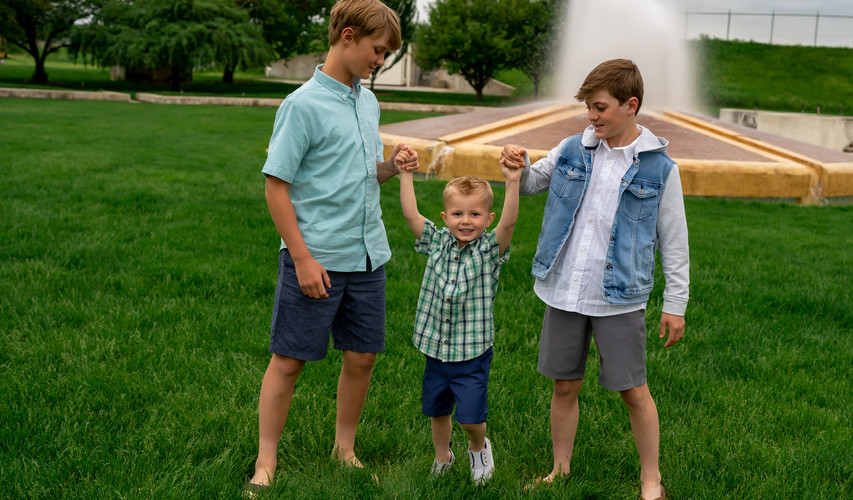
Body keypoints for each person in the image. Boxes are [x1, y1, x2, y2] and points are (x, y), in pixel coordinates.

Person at [244, 0, 420, 495]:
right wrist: (301, 257)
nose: (379, 61)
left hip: (369, 256)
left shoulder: (367, 101)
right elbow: (276, 186)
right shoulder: (301, 105)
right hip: (315, 257)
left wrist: (391, 165)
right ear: (347, 35)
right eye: (377, 50)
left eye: (385, 54)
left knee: (362, 356)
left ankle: (345, 448)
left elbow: (365, 175)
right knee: (290, 359)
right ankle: (266, 461)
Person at [499, 58, 689, 500]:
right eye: (588, 106)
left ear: (631, 105)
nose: (592, 116)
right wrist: (517, 166)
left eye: (600, 107)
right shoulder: (571, 149)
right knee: (564, 385)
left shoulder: (661, 170)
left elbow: (674, 242)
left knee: (633, 390)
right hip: (565, 288)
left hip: (619, 297)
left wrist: (675, 303)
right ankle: (560, 468)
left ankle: (651, 482)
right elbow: (530, 183)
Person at [397, 163, 522, 485]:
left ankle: (479, 449)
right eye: (457, 214)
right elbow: (411, 215)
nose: (466, 221)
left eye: (475, 215)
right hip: (435, 347)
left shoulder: (490, 250)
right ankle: (443, 457)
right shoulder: (437, 242)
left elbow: (509, 224)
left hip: (471, 351)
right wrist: (406, 174)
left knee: (470, 416)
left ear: (488, 219)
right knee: (437, 410)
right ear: (444, 217)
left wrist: (512, 182)